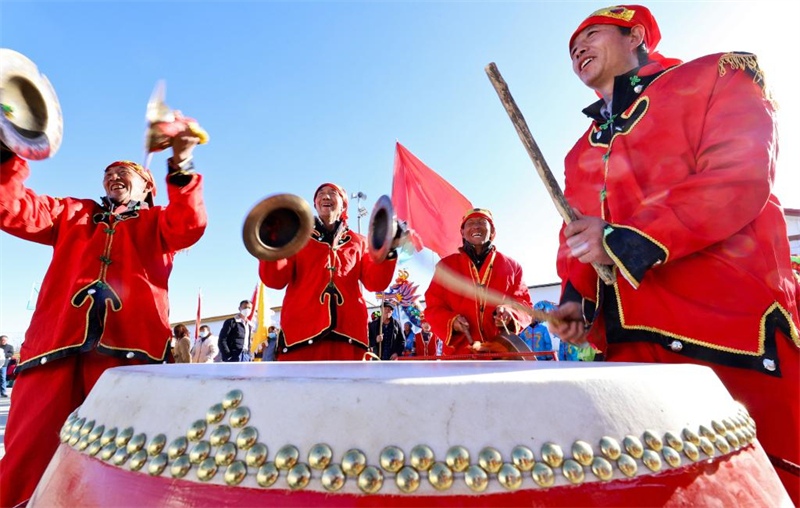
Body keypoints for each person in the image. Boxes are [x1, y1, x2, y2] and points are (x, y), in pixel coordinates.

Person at [550, 4, 799, 502]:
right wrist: (578, 299)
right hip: (630, 351)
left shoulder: (716, 75)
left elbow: (738, 175)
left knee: (769, 484)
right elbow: (577, 237)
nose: (577, 49)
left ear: (636, 34)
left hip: (729, 330)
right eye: (570, 47)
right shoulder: (580, 150)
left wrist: (621, 238)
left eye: (591, 34)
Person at [0, 129, 206, 506]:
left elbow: (190, 224)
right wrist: (8, 150)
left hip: (131, 357)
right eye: (108, 172)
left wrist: (180, 165)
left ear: (147, 188)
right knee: (28, 456)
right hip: (53, 349)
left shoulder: (159, 222)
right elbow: (12, 208)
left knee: (129, 459)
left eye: (125, 172)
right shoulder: (71, 213)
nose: (114, 176)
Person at [259, 183, 397, 361]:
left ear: (344, 205)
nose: (326, 196)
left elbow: (375, 283)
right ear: (315, 204)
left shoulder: (360, 242)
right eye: (321, 194)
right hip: (300, 338)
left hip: (350, 340)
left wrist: (388, 249)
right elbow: (275, 280)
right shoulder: (296, 238)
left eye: (333, 193)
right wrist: (272, 244)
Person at [424, 208, 533, 357]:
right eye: (470, 223)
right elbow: (433, 307)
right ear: (462, 232)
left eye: (482, 222)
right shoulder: (445, 267)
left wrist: (510, 313)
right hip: (459, 356)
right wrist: (452, 322)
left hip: (501, 354)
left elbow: (525, 304)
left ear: (492, 231)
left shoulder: (512, 267)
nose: (476, 226)